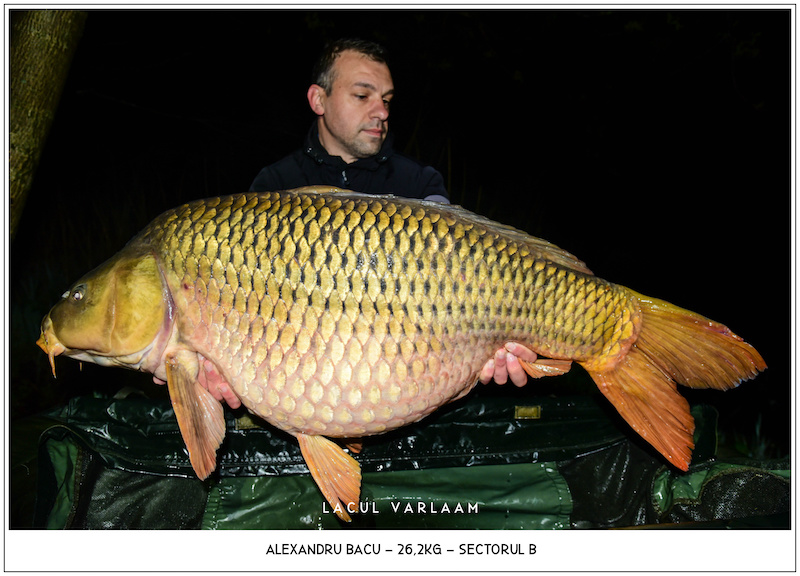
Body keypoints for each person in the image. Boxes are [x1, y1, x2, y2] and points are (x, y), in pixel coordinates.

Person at [205, 39, 535, 410]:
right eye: (363, 96)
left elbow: (466, 278)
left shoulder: (420, 185)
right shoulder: (273, 187)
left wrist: (492, 348)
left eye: (387, 100)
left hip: (409, 390)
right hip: (302, 389)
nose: (381, 111)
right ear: (318, 100)